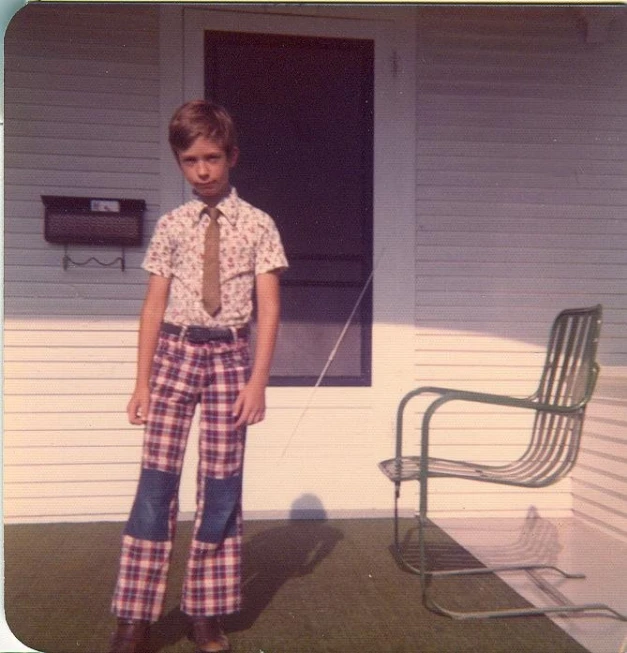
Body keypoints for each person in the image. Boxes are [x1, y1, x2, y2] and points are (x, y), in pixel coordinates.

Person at [109, 99, 288, 653]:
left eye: (212, 157)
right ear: (180, 164)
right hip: (175, 356)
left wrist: (257, 382)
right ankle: (135, 616)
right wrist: (141, 382)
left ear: (232, 156)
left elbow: (269, 310)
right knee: (156, 484)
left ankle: (205, 611)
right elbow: (152, 308)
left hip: (231, 360)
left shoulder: (259, 225)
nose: (203, 170)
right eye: (191, 160)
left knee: (220, 486)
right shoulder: (171, 227)